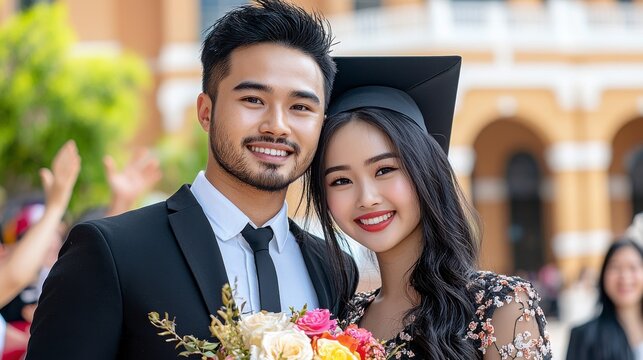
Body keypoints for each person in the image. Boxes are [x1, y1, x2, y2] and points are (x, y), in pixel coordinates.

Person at [26, 1, 356, 359]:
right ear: (206, 111)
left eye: (301, 107)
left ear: (321, 122)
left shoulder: (335, 269)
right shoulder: (111, 252)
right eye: (253, 99)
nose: (277, 125)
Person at [305, 56, 552, 359]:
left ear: (425, 170)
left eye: (384, 170)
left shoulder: (499, 305)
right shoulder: (341, 324)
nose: (366, 198)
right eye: (341, 180)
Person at [566, 238, 643, 360]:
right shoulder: (584, 336)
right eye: (615, 267)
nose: (624, 276)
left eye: (633, 267)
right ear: (603, 276)